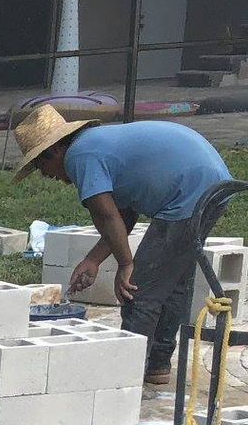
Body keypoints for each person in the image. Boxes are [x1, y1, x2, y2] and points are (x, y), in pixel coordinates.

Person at [13, 105, 233, 385]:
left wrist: (127, 264)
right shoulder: (95, 145)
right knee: (172, 281)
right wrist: (93, 260)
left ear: (54, 151)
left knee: (138, 292)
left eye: (41, 166)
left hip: (189, 191)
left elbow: (106, 214)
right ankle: (157, 365)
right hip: (214, 185)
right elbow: (124, 217)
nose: (47, 175)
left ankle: (123, 380)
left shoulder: (80, 156)